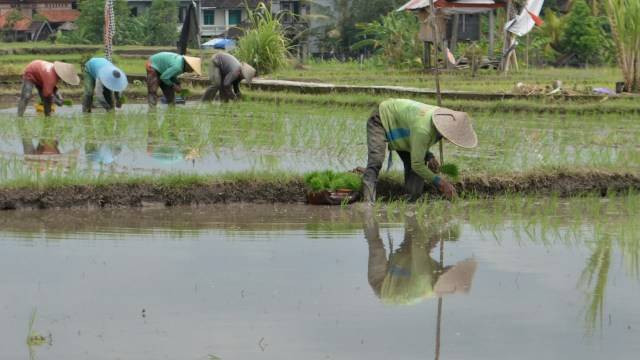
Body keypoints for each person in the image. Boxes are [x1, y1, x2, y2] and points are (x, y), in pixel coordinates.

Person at [362, 99, 478, 203]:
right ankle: (368, 203)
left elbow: (418, 141)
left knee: (416, 170)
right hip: (382, 117)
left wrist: (429, 155)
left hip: (407, 128)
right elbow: (417, 164)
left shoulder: (437, 122)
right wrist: (441, 183)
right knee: (376, 161)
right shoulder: (424, 129)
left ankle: (410, 201)